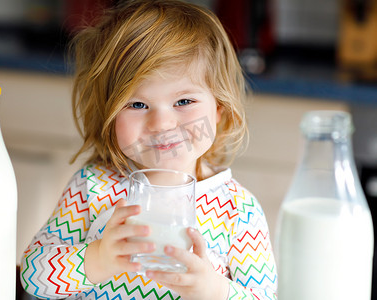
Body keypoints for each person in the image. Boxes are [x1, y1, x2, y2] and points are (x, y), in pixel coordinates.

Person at [20, 0, 278, 299]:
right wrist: (99, 259)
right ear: (109, 115)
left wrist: (213, 290)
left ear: (218, 109)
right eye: (137, 104)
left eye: (184, 102)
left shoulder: (237, 209)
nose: (162, 124)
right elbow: (34, 276)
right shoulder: (93, 187)